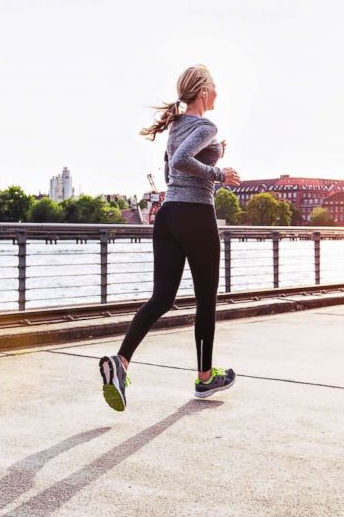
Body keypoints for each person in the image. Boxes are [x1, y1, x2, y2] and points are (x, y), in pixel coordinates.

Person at [99, 65, 242, 411]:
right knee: (206, 298)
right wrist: (219, 173)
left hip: (168, 217)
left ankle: (121, 362)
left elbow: (169, 170)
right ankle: (205, 379)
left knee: (162, 297)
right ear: (203, 91)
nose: (219, 92)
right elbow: (180, 162)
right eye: (215, 86)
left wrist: (211, 154)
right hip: (195, 216)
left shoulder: (177, 126)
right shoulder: (206, 125)